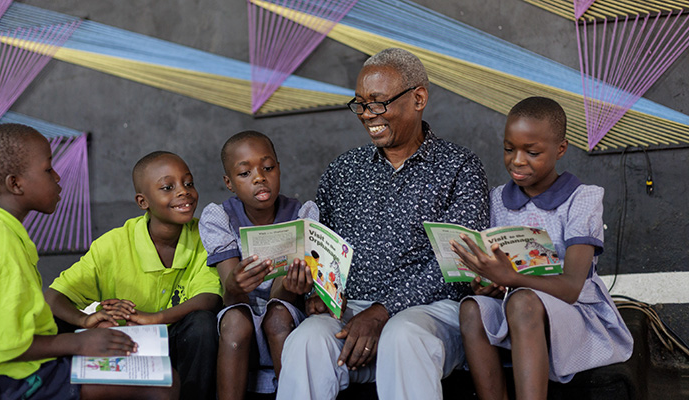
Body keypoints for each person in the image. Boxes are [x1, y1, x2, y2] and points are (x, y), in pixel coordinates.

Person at [276, 48, 490, 400]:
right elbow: (325, 251)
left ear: (418, 98)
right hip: (353, 312)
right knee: (306, 341)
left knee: (402, 335)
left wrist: (383, 311)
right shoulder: (343, 171)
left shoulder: (459, 167)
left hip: (431, 312)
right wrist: (317, 292)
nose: (366, 115)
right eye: (359, 104)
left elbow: (459, 262)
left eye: (377, 103)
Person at [0, 123, 177, 400]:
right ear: (15, 183)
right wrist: (79, 342)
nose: (58, 176)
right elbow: (2, 346)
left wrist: (84, 328)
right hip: (19, 382)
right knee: (163, 385)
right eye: (48, 169)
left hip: (17, 373)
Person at [453, 97, 633, 400]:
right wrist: (488, 282)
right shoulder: (497, 199)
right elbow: (500, 276)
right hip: (517, 304)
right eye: (509, 149)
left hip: (574, 311)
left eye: (532, 152)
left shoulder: (582, 199)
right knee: (471, 308)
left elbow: (572, 287)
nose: (517, 161)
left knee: (522, 301)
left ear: (560, 149)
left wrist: (511, 278)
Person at [44, 151, 221, 400]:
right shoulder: (113, 245)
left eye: (188, 183)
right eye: (168, 187)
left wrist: (156, 318)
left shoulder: (206, 235)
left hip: (178, 346)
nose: (183, 192)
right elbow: (53, 298)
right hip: (128, 348)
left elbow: (209, 298)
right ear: (142, 201)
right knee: (53, 322)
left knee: (203, 323)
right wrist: (87, 320)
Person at [199, 130, 318, 399]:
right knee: (235, 321)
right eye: (245, 173)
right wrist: (236, 283)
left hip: (285, 310)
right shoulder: (221, 217)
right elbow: (230, 296)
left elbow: (289, 297)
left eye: (268, 168)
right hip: (241, 310)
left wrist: (293, 284)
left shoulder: (302, 215)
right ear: (229, 182)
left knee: (276, 316)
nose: (259, 178)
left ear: (278, 169)